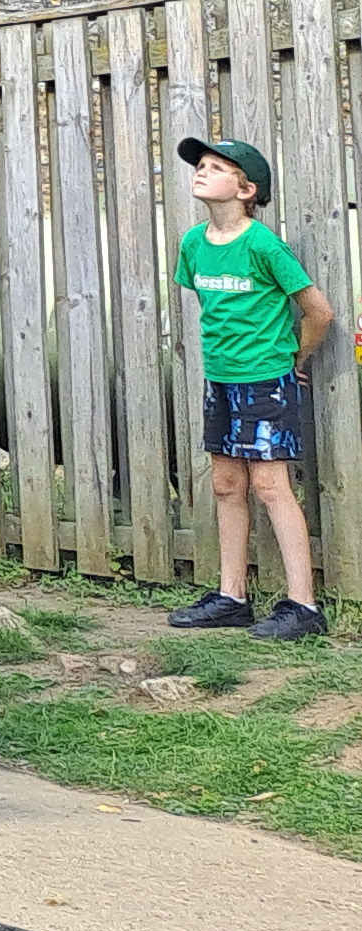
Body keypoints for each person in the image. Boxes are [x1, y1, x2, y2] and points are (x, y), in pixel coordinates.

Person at [167, 136, 335, 640]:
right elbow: (211, 306)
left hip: (265, 380)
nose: (202, 171)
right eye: (200, 165)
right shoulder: (193, 244)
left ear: (246, 190)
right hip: (220, 379)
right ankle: (231, 598)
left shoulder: (264, 245)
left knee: (269, 485)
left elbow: (319, 312)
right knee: (225, 484)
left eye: (216, 167)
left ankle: (304, 606)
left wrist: (294, 359)